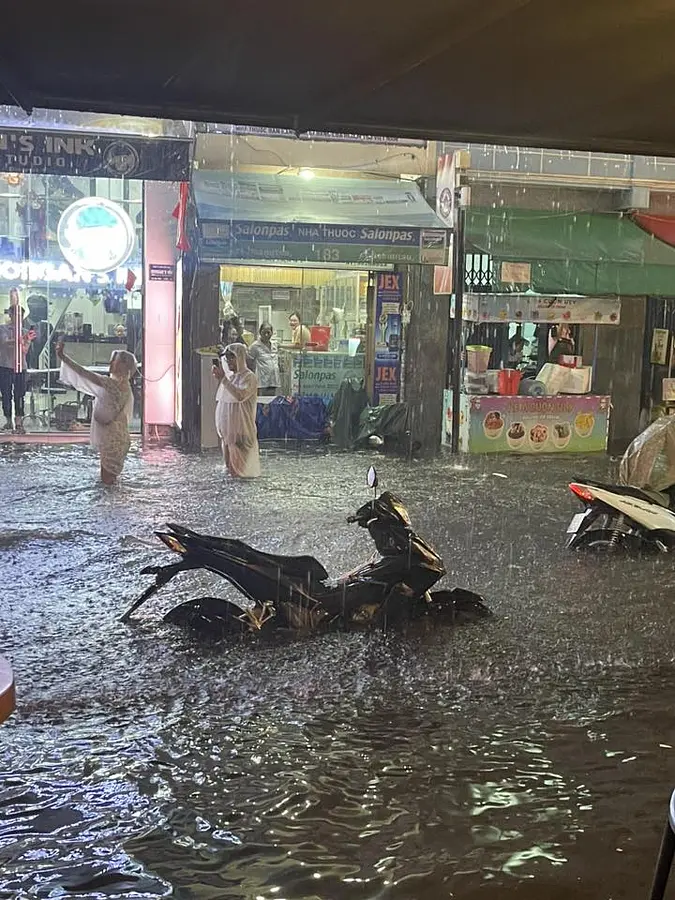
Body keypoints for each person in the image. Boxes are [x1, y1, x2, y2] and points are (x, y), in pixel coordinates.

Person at [56, 340, 138, 485]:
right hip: (115, 439)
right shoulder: (122, 385)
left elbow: (83, 373)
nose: (110, 363)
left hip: (113, 441)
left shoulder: (113, 385)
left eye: (114, 361)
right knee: (109, 483)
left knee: (107, 483)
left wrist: (63, 357)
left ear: (123, 365)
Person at [213, 342, 261, 478]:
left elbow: (240, 395)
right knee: (230, 471)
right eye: (227, 358)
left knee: (242, 475)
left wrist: (223, 379)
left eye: (232, 357)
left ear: (240, 357)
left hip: (242, 432)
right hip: (229, 434)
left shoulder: (249, 377)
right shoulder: (231, 378)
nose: (229, 361)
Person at [0, 295, 36, 434]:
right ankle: (8, 420)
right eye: (15, 314)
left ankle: (19, 421)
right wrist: (21, 339)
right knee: (6, 394)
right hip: (5, 366)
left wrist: (26, 340)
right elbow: (4, 342)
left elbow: (25, 350)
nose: (18, 318)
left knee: (20, 394)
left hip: (21, 366)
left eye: (20, 315)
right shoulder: (3, 329)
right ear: (10, 315)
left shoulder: (25, 332)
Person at [247, 323, 280, 396]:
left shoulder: (275, 345)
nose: (266, 335)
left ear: (272, 333)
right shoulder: (255, 346)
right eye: (264, 332)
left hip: (274, 380)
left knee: (272, 400)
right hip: (262, 382)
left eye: (268, 332)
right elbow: (249, 362)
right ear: (260, 332)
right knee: (262, 401)